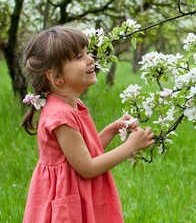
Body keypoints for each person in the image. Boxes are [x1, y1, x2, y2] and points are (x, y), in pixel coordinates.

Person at [21, 25, 154, 223]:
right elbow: (87, 167)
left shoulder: (71, 105)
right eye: (78, 57)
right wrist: (131, 146)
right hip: (67, 199)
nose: (90, 59)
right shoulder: (60, 116)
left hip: (76, 191)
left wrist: (111, 130)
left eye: (86, 53)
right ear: (56, 78)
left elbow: (81, 153)